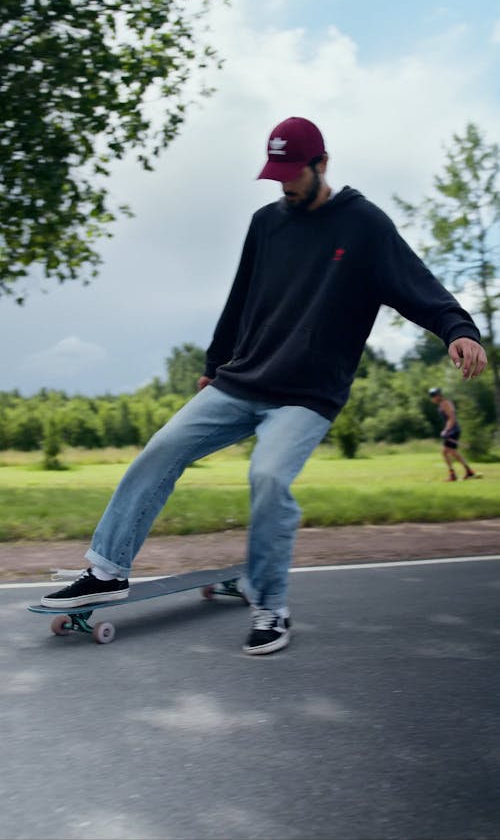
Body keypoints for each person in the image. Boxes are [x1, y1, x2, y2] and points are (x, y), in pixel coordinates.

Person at [41, 117, 488, 654]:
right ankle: (108, 571)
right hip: (242, 378)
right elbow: (241, 298)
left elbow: (417, 285)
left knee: (269, 476)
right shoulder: (265, 222)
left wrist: (457, 330)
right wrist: (214, 362)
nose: (283, 186)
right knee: (160, 450)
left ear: (323, 164)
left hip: (307, 396)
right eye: (275, 175)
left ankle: (272, 608)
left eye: (292, 174)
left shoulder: (365, 225)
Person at [428, 387, 477, 481]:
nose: (432, 398)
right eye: (431, 396)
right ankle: (468, 471)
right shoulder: (442, 404)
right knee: (450, 452)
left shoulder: (445, 404)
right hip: (452, 430)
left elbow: (452, 418)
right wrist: (446, 429)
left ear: (438, 396)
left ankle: (454, 474)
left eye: (433, 396)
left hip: (453, 431)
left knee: (446, 452)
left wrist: (446, 430)